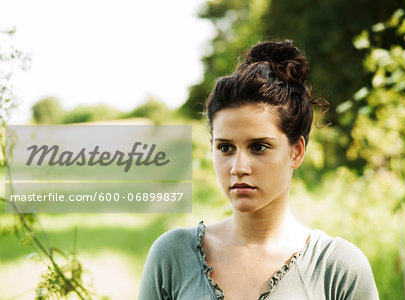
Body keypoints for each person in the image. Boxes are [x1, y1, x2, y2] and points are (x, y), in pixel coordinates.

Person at [138, 40, 379, 300]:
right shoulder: (173, 256)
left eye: (259, 147)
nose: (238, 168)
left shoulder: (337, 269)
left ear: (296, 151)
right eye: (226, 148)